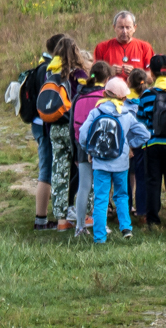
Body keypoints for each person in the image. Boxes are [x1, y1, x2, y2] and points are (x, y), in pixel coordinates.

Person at [79, 77, 150, 243]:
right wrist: (129, 145)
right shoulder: (126, 114)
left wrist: (90, 150)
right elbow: (145, 134)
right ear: (124, 98)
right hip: (121, 162)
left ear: (104, 94)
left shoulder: (96, 112)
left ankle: (99, 237)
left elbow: (83, 134)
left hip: (100, 162)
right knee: (122, 195)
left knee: (101, 198)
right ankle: (126, 227)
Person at [45, 36, 89, 231]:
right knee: (83, 170)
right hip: (73, 127)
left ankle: (61, 220)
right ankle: (84, 214)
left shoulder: (50, 73)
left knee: (59, 172)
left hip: (55, 127)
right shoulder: (78, 74)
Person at [137, 55, 166, 226]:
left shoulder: (147, 94)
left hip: (153, 144)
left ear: (151, 73)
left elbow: (140, 121)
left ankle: (153, 220)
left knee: (153, 183)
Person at [70, 61, 112, 236]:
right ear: (108, 78)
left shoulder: (78, 96)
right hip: (102, 145)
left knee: (84, 186)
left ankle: (80, 226)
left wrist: (74, 151)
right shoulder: (106, 97)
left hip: (82, 145)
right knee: (102, 186)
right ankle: (101, 224)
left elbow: (72, 126)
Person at [32, 33, 65, 231]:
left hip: (38, 122)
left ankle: (45, 217)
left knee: (49, 168)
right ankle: (41, 220)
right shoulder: (51, 69)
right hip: (47, 124)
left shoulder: (41, 66)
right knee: (47, 170)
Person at [94, 10, 155, 81]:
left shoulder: (145, 47)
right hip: (110, 91)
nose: (124, 31)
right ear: (114, 28)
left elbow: (151, 78)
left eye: (128, 27)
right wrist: (108, 72)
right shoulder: (102, 47)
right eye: (121, 27)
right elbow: (92, 76)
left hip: (137, 90)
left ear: (134, 28)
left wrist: (136, 73)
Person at [125, 68, 149, 216]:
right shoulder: (146, 100)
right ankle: (142, 211)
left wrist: (129, 145)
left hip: (128, 146)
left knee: (125, 178)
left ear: (128, 82)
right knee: (142, 178)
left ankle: (127, 208)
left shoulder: (124, 103)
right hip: (144, 145)